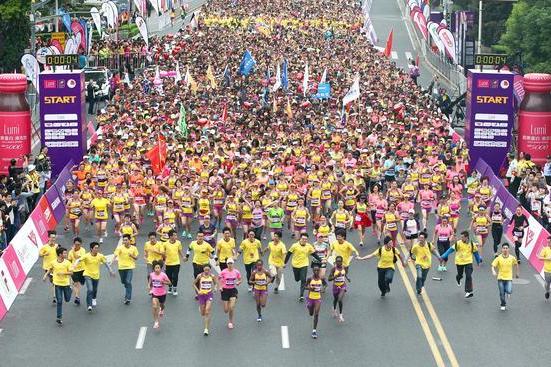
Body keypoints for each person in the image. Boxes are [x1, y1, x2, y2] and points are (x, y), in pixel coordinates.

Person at [72, 241, 115, 312]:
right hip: (87, 274)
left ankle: (94, 298)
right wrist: (75, 264)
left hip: (96, 275)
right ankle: (89, 305)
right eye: (95, 248)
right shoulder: (87, 255)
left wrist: (110, 270)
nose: (97, 249)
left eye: (98, 248)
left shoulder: (100, 256)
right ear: (91, 249)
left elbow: (106, 263)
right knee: (90, 289)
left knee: (94, 290)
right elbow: (78, 260)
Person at [284, 233, 321, 302]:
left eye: (306, 239)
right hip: (295, 265)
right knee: (297, 279)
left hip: (304, 264)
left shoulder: (309, 246)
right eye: (303, 239)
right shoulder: (294, 246)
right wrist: (284, 263)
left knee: (303, 279)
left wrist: (320, 260)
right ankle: (298, 279)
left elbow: (314, 254)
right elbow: (288, 254)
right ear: (300, 239)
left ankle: (301, 295)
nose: (304, 240)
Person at [43, 247, 72, 326]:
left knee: (67, 299)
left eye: (66, 253)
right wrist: (45, 275)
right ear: (60, 254)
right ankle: (59, 317)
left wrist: (63, 273)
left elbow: (71, 273)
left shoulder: (67, 263)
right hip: (57, 284)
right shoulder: (53, 262)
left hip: (66, 284)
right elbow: (50, 269)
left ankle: (70, 290)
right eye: (64, 253)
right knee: (59, 301)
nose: (66, 254)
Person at [491, 243, 519, 311]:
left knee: (509, 290)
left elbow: (516, 264)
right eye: (504, 248)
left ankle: (508, 292)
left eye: (506, 248)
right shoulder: (498, 258)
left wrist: (517, 273)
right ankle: (503, 304)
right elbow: (493, 266)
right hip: (500, 277)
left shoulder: (512, 258)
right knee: (501, 292)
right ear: (502, 249)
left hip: (509, 277)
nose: (505, 249)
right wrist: (493, 271)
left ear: (509, 249)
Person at [113, 234, 139, 304]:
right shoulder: (120, 248)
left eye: (126, 240)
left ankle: (128, 298)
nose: (125, 241)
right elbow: (116, 254)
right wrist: (113, 260)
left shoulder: (134, 248)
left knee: (128, 282)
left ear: (130, 240)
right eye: (124, 240)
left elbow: (136, 258)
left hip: (130, 267)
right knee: (124, 282)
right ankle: (126, 287)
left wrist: (132, 256)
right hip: (121, 267)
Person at [193, 265, 218, 335]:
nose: (206, 271)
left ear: (210, 270)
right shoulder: (199, 276)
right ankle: (200, 308)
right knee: (202, 313)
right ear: (203, 270)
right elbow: (194, 284)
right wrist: (198, 291)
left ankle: (206, 329)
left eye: (208, 270)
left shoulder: (212, 276)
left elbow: (216, 283)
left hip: (209, 294)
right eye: (205, 270)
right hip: (201, 295)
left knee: (207, 311)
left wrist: (215, 288)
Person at [218, 257, 242, 329]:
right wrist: (220, 286)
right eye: (228, 263)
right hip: (225, 290)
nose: (230, 265)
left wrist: (238, 282)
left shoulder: (236, 272)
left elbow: (240, 279)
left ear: (233, 264)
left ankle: (230, 322)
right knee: (226, 310)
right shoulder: (223, 272)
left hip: (232, 290)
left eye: (231, 263)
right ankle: (228, 303)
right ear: (227, 264)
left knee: (231, 308)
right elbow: (218, 279)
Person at [305, 266, 327, 339]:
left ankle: (314, 331)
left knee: (316, 313)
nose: (316, 272)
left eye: (318, 270)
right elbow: (304, 287)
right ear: (313, 271)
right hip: (311, 297)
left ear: (319, 271)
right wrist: (310, 288)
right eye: (315, 270)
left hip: (318, 298)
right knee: (311, 313)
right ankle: (309, 306)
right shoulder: (309, 278)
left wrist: (322, 289)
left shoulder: (321, 278)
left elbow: (325, 284)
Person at [148, 260, 171, 329]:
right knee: (155, 306)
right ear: (153, 269)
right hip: (155, 293)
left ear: (160, 268)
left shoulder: (163, 275)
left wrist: (163, 282)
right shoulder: (151, 274)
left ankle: (162, 309)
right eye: (156, 268)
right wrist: (149, 286)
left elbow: (169, 283)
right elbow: (150, 282)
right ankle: (156, 322)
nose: (157, 269)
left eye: (158, 268)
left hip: (162, 293)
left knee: (162, 305)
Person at [327, 256, 350, 322]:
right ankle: (334, 309)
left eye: (340, 261)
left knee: (340, 299)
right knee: (335, 299)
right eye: (337, 261)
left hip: (342, 285)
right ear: (335, 262)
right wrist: (336, 276)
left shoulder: (344, 268)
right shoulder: (333, 269)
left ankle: (341, 315)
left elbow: (344, 274)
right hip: (335, 286)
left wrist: (347, 278)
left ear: (342, 262)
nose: (338, 262)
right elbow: (329, 279)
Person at [39, 230, 58, 304]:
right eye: (52, 237)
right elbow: (40, 255)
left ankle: (54, 296)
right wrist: (44, 254)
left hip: (56, 266)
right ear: (48, 238)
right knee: (53, 281)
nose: (53, 239)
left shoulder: (57, 246)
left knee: (55, 281)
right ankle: (55, 295)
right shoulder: (44, 247)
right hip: (47, 267)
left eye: (54, 237)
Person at [164, 230, 185, 295]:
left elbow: (180, 251)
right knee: (169, 277)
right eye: (174, 235)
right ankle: (170, 287)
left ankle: (175, 288)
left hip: (176, 263)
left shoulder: (178, 243)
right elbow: (163, 253)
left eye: (176, 235)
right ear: (170, 236)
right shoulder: (165, 244)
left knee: (175, 276)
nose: (176, 236)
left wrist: (183, 257)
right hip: (168, 263)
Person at [67, 237, 85, 306]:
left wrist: (73, 251)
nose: (77, 246)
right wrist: (68, 268)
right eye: (76, 244)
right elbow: (69, 260)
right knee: (76, 284)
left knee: (81, 283)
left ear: (81, 244)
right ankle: (77, 297)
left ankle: (76, 294)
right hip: (74, 270)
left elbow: (77, 257)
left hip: (82, 269)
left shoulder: (82, 250)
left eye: (78, 244)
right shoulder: (70, 252)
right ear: (73, 244)